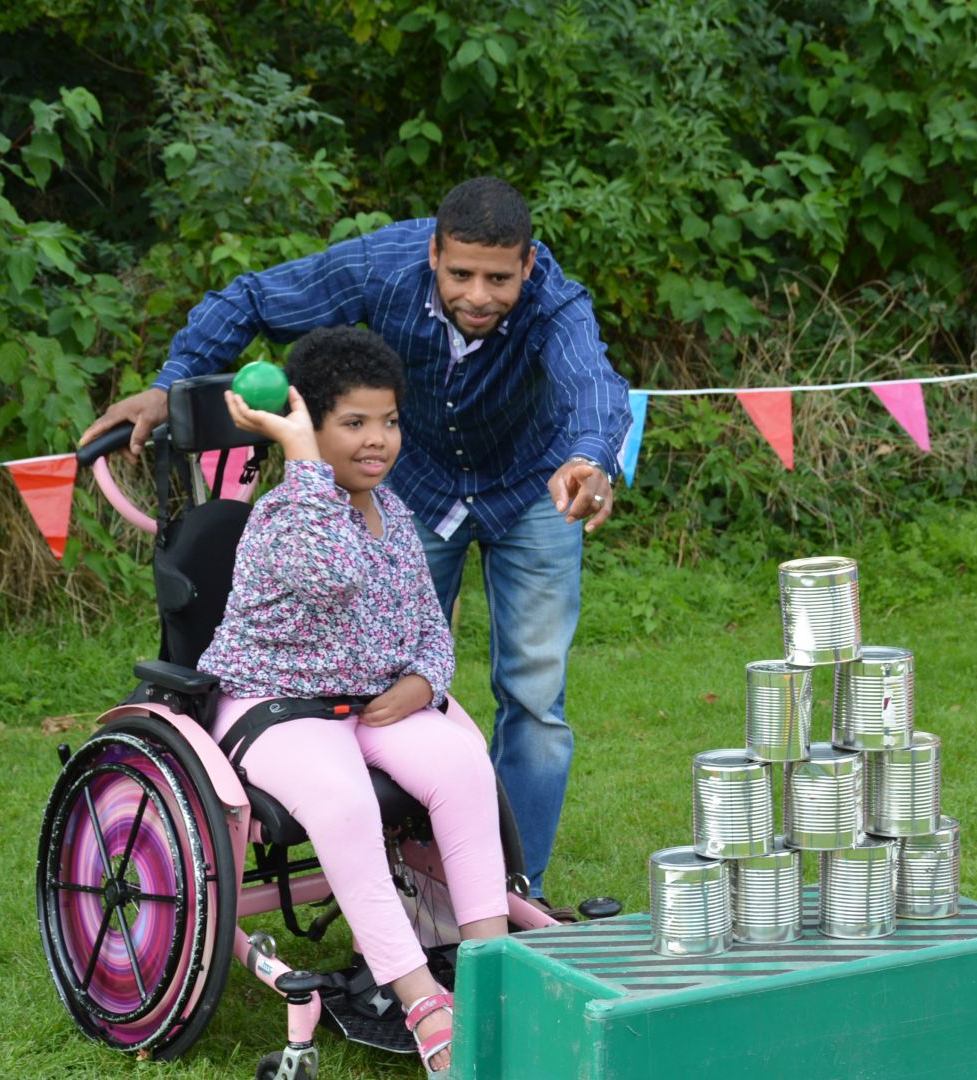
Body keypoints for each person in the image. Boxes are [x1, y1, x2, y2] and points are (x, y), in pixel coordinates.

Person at [81, 177, 633, 898]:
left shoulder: (555, 300)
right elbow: (251, 297)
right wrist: (173, 381)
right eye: (460, 272)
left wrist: (589, 457)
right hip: (417, 483)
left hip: (535, 485)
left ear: (528, 267)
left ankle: (508, 888)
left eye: (500, 278)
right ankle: (397, 875)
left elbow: (595, 382)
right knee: (376, 680)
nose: (478, 294)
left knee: (534, 699)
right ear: (433, 253)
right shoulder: (383, 265)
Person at [198, 326, 502, 1076]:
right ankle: (422, 999)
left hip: (369, 703)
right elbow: (330, 577)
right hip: (277, 704)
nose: (378, 441)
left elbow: (430, 624)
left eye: (390, 421)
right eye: (353, 424)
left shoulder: (390, 513)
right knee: (344, 802)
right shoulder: (284, 515)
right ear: (310, 424)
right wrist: (299, 455)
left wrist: (424, 681)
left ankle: (494, 974)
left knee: (464, 764)